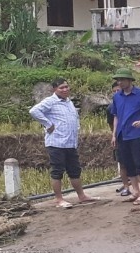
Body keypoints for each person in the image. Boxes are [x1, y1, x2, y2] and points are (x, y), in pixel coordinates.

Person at [28, 78, 98, 209]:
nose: (65, 89)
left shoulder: (69, 102)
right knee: (58, 171)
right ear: (55, 89)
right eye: (61, 88)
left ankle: (82, 196)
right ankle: (59, 199)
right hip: (56, 142)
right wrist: (48, 124)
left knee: (75, 170)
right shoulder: (50, 101)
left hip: (70, 143)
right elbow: (34, 111)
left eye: (66, 87)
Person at [107, 69, 140, 204]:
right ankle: (135, 190)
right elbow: (115, 116)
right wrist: (114, 134)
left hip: (136, 134)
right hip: (122, 134)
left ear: (130, 80)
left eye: (122, 80)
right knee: (128, 164)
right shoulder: (117, 96)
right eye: (118, 80)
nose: (120, 82)